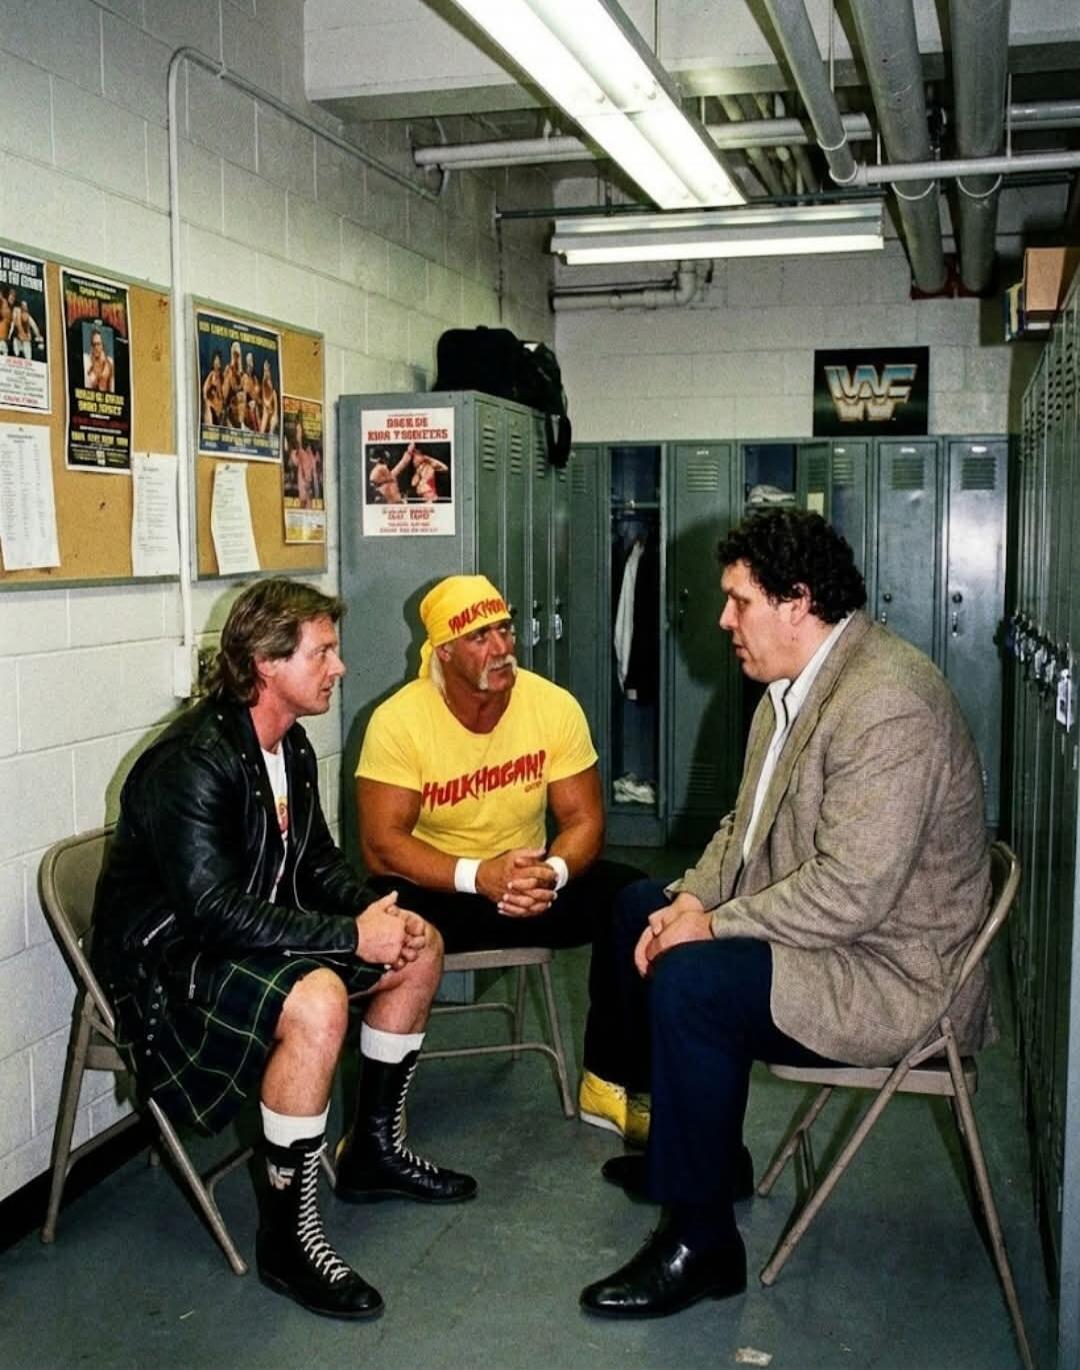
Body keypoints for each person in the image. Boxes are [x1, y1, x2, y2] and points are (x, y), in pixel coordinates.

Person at [579, 509, 994, 1319]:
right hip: (840, 940)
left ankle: (703, 1245)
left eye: (739, 601)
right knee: (636, 908)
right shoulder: (788, 690)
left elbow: (853, 890)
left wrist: (712, 925)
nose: (722, 619)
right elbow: (743, 827)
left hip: (893, 973)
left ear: (797, 601)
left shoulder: (886, 702)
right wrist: (693, 896)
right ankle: (701, 1154)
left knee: (694, 983)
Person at [90, 579, 476, 1322]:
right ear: (266, 664)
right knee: (319, 998)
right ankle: (286, 1239)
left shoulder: (287, 742)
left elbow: (317, 863)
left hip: (235, 932)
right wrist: (346, 938)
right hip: (168, 964)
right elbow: (210, 911)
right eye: (322, 652)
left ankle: (371, 1152)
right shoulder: (192, 762)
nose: (339, 667)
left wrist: (374, 913)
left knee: (420, 948)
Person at [356, 574, 645, 1128]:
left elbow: (584, 819)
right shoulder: (399, 720)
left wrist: (553, 873)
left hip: (533, 888)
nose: (502, 649)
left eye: (505, 631)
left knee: (636, 899)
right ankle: (373, 1124)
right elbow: (382, 848)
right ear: (443, 651)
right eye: (479, 637)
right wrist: (477, 876)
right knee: (372, 919)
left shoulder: (551, 705)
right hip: (444, 893)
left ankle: (607, 1079)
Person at [288, 420, 319, 506]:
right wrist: (293, 452)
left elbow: (314, 465)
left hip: (310, 484)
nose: (298, 434)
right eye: (297, 431)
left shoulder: (309, 450)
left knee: (309, 503)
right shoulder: (297, 450)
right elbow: (294, 463)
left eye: (300, 431)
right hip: (302, 484)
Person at [84, 327, 114, 392]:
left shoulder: (109, 364)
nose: (96, 347)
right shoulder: (87, 362)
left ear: (102, 345)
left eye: (98, 344)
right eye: (94, 344)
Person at [202, 350, 224, 425]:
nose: (217, 364)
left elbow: (222, 395)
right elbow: (204, 391)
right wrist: (210, 403)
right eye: (216, 361)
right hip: (212, 408)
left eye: (218, 362)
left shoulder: (221, 377)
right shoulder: (212, 375)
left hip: (219, 410)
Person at [260, 358, 279, 434]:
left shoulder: (273, 392)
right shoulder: (264, 387)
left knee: (274, 420)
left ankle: (270, 433)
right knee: (264, 418)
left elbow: (276, 409)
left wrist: (275, 415)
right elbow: (264, 379)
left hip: (273, 413)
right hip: (267, 411)